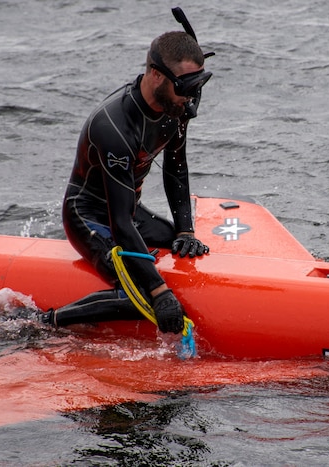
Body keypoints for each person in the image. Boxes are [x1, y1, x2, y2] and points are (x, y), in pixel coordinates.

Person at [42, 10, 213, 334]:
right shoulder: (115, 127)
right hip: (89, 216)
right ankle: (46, 322)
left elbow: (176, 167)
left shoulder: (174, 106)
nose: (191, 97)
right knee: (142, 296)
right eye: (186, 86)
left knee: (176, 242)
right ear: (156, 75)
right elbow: (121, 222)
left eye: (198, 85)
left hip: (125, 210)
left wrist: (185, 231)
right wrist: (160, 293)